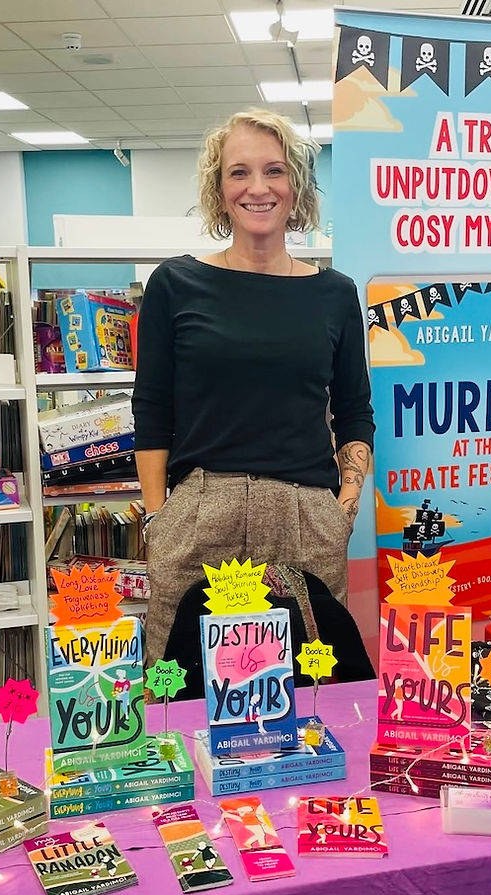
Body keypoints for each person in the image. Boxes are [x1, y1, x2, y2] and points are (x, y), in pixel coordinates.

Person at [132, 108, 375, 666]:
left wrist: (344, 507)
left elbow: (355, 409)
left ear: (297, 186)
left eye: (275, 170)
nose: (258, 187)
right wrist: (156, 516)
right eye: (239, 172)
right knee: (181, 687)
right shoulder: (175, 283)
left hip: (305, 515)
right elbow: (151, 408)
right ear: (219, 190)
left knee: (310, 690)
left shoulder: (335, 294)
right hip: (200, 513)